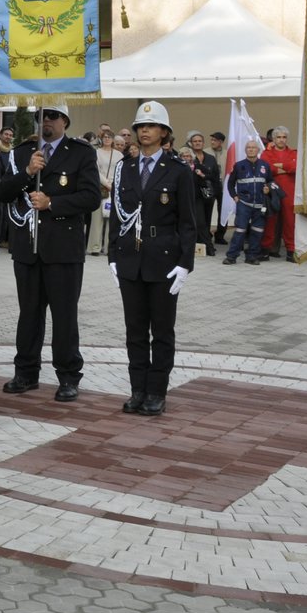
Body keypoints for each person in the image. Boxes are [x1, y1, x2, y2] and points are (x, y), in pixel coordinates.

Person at [0, 103, 100, 401]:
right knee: (28, 314)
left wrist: (52, 202)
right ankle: (26, 372)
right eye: (41, 116)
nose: (46, 122)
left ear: (65, 121)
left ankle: (68, 376)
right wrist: (28, 172)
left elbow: (91, 197)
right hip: (28, 248)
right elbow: (3, 193)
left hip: (63, 249)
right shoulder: (20, 154)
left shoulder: (81, 153)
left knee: (64, 316)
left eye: (53, 116)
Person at [109, 102, 198, 416]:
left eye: (150, 126)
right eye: (140, 126)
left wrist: (185, 263)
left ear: (164, 133)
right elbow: (117, 215)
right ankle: (137, 389)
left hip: (163, 260)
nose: (143, 131)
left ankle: (156, 391)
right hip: (130, 258)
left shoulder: (178, 171)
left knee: (161, 330)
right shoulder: (126, 168)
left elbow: (188, 221)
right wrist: (112, 254)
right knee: (134, 329)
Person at [222, 139, 273, 265]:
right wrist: (234, 196)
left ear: (258, 150)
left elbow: (271, 182)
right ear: (245, 150)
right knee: (240, 230)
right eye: (248, 147)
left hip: (260, 205)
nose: (251, 149)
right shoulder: (239, 165)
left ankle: (251, 256)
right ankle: (231, 256)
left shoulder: (265, 166)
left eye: (253, 147)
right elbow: (230, 183)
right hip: (244, 204)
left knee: (257, 231)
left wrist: (268, 189)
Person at [261, 127, 298, 260]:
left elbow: (295, 167)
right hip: (272, 191)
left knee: (290, 222)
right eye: (278, 137)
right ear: (274, 139)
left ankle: (291, 250)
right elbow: (267, 168)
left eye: (284, 137)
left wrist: (279, 165)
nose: (281, 140)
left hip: (289, 192)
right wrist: (285, 167)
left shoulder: (293, 152)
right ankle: (266, 250)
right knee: (270, 220)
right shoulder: (266, 153)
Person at [186, 133, 220, 257]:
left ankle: (204, 245)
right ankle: (205, 246)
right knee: (199, 221)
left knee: (206, 221)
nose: (197, 143)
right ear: (191, 143)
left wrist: (205, 177)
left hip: (207, 195)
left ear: (203, 143)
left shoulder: (210, 158)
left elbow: (215, 176)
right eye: (195, 141)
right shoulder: (188, 158)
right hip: (194, 196)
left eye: (200, 141)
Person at [92, 128, 117, 254]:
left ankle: (108, 247)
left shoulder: (119, 154)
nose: (107, 139)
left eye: (109, 137)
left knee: (111, 219)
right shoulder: (97, 152)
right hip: (101, 186)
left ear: (113, 140)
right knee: (97, 218)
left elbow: (120, 170)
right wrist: (107, 184)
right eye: (105, 137)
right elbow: (95, 170)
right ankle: (95, 247)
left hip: (115, 186)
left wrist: (113, 184)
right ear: (101, 139)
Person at [209, 131, 229, 244]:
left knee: (223, 211)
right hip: (209, 186)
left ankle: (220, 235)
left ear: (221, 142)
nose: (212, 142)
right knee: (207, 211)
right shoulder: (205, 152)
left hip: (223, 187)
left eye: (215, 140)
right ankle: (206, 234)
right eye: (211, 140)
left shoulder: (227, 154)